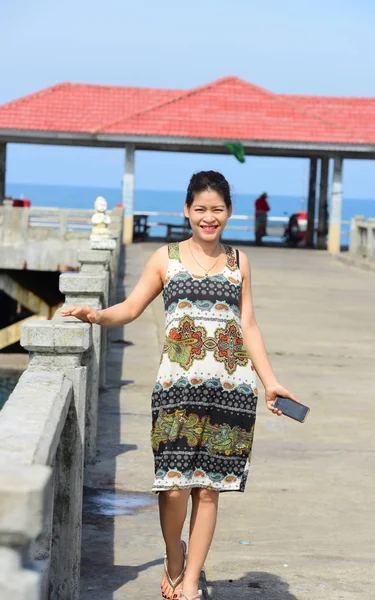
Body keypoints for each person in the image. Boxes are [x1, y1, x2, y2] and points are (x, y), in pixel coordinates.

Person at [61, 171, 297, 600]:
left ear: (229, 213)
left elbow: (247, 323)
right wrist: (95, 316)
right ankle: (175, 557)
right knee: (172, 486)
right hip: (176, 388)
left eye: (218, 210)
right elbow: (131, 308)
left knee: (209, 489)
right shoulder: (164, 258)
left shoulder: (238, 261)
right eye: (201, 209)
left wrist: (271, 382)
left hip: (229, 390)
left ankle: (190, 581)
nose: (210, 218)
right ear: (187, 211)